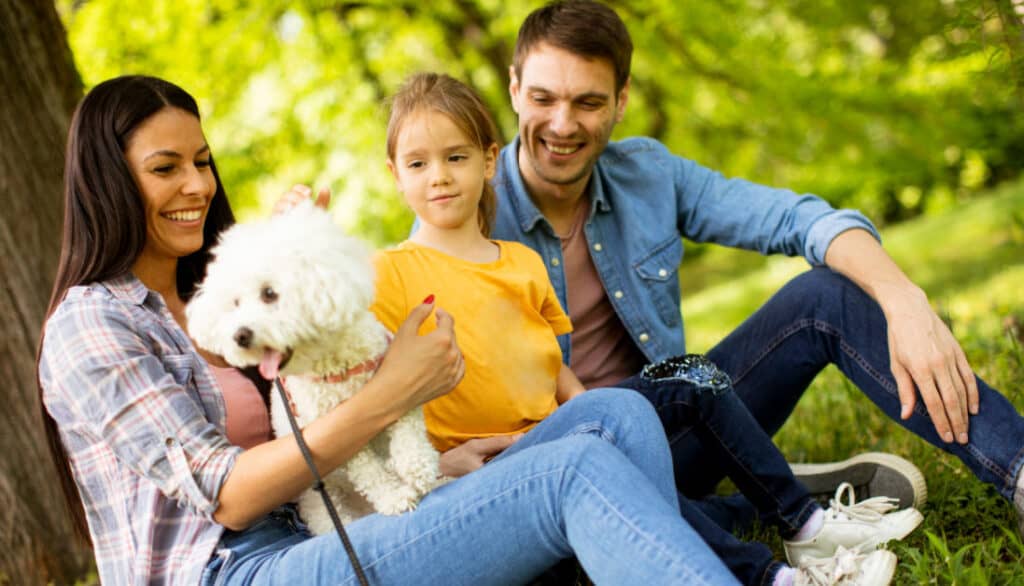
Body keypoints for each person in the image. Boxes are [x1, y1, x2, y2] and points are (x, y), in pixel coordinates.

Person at [37, 74, 745, 585]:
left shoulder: (217, 292)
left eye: (201, 163)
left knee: (615, 413)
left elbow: (326, 374)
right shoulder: (92, 324)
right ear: (107, 181)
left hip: (340, 521)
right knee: (574, 470)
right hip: (241, 569)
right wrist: (392, 393)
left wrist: (437, 467)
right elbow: (228, 494)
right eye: (166, 169)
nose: (197, 187)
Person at [484, 0, 1024, 545]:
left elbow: (797, 219)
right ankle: (774, 501)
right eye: (542, 98)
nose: (562, 124)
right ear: (513, 89)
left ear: (621, 101)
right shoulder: (464, 214)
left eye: (589, 102)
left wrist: (903, 298)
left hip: (677, 436)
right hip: (559, 482)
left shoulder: (647, 175)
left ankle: (1019, 471)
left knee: (824, 296)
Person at [371, 71, 915, 585]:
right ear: (395, 174)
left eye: (455, 157)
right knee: (632, 485)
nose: (438, 175)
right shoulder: (387, 276)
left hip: (560, 434)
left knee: (691, 373)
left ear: (489, 161)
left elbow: (549, 361)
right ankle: (774, 577)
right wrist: (439, 466)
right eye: (417, 164)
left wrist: (599, 417)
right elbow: (359, 396)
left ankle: (807, 526)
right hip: (491, 472)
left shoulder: (518, 261)